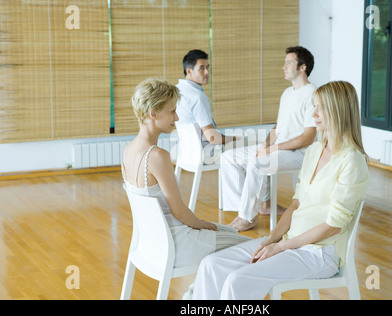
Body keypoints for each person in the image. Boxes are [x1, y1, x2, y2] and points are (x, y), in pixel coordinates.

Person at [190, 81, 370, 300]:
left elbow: (333, 226)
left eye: (320, 107)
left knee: (239, 280)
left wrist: (282, 246)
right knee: (212, 264)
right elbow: (295, 204)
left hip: (319, 253)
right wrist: (271, 240)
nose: (313, 113)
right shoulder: (314, 151)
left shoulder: (352, 161)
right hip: (289, 240)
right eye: (314, 106)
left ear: (338, 109)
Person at [121, 78, 251, 269]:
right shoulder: (157, 156)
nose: (177, 118)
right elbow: (180, 212)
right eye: (172, 112)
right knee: (249, 248)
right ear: (153, 113)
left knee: (230, 233)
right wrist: (207, 225)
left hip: (152, 244)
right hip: (177, 244)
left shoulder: (128, 150)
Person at [220, 46, 317, 232]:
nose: (284, 66)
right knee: (228, 157)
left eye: (288, 62)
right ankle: (245, 209)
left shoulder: (313, 94)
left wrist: (271, 150)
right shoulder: (287, 93)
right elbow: (277, 128)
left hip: (298, 153)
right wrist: (264, 145)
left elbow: (307, 138)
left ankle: (247, 218)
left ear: (302, 67)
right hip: (279, 147)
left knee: (258, 163)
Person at [176, 49, 238, 164]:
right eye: (201, 68)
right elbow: (213, 138)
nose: (207, 72)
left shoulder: (177, 89)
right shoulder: (197, 97)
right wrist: (235, 138)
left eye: (207, 67)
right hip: (205, 153)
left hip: (187, 152)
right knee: (249, 146)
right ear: (188, 71)